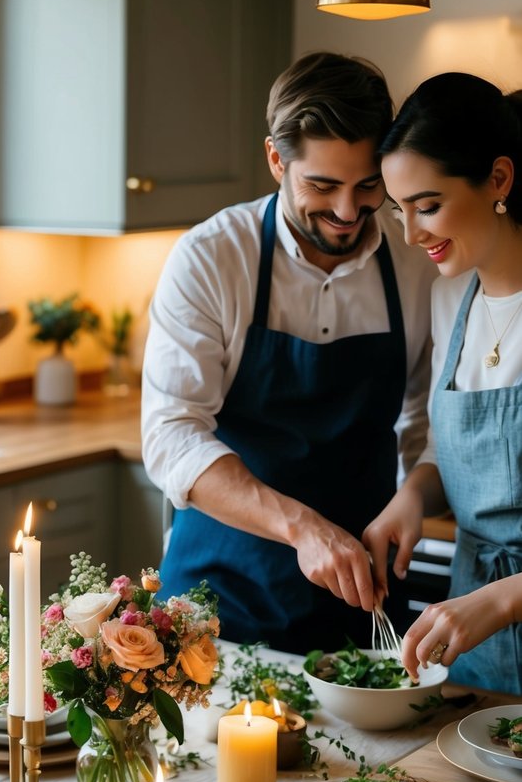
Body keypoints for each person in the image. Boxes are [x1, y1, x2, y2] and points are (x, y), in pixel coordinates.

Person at [141, 51, 436, 655]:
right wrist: (301, 527)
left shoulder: (419, 264)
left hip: (366, 606)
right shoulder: (212, 258)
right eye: (322, 186)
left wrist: (415, 495)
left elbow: (431, 426)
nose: (348, 212)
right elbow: (171, 435)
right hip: (218, 606)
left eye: (367, 185)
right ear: (276, 159)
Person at [364, 72, 522, 695]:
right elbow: (449, 446)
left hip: (490, 609)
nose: (410, 233)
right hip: (474, 650)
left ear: (499, 181)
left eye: (427, 206)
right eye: (399, 209)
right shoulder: (450, 296)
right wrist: (415, 494)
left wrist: (506, 599)